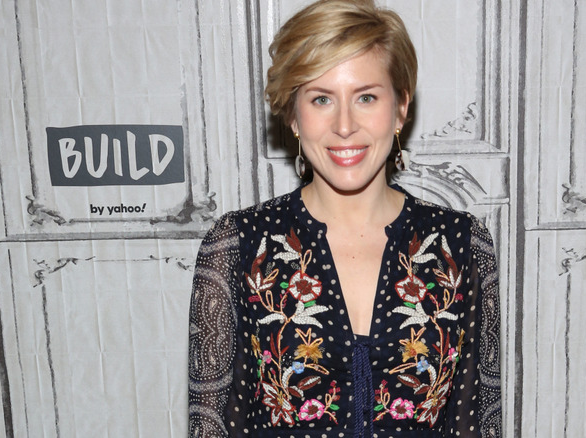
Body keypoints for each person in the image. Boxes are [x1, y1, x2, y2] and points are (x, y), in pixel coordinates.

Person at [188, 0, 501, 436]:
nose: (345, 126)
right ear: (293, 115)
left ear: (401, 108)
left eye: (367, 97)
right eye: (321, 99)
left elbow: (478, 420)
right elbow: (214, 424)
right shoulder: (240, 244)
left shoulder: (460, 244)